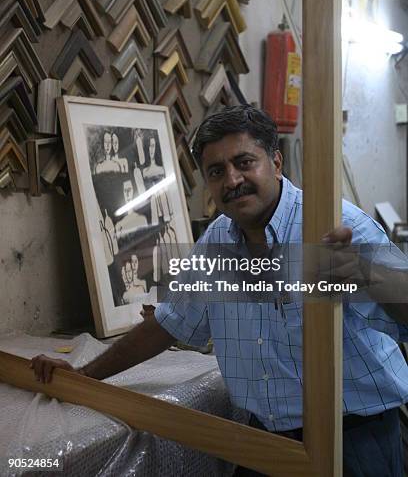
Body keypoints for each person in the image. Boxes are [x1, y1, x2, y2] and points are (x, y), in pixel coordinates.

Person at [31, 105, 408, 477]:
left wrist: (363, 271)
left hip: (355, 440)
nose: (231, 180)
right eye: (217, 171)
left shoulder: (334, 225)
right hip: (268, 440)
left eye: (244, 162)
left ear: (275, 163)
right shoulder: (217, 242)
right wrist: (84, 375)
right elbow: (168, 323)